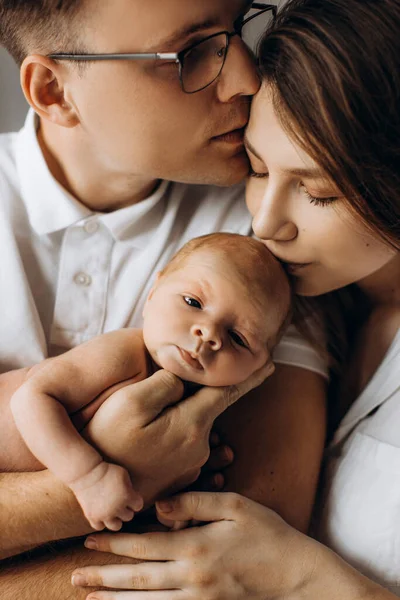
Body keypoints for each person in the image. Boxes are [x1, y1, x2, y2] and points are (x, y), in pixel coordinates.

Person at [68, 0, 400, 598]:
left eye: (318, 192)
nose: (266, 222)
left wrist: (306, 580)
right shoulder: (276, 310)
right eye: (256, 167)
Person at [0, 0, 328, 589]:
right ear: (54, 90)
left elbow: (236, 572)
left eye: (239, 26)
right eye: (190, 52)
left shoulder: (263, 239)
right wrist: (114, 476)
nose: (248, 75)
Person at [8, 233, 289, 532]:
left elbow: (151, 482)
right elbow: (30, 399)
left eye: (238, 338)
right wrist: (88, 476)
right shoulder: (124, 353)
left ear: (261, 369)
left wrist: (172, 508)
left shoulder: (196, 422)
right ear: (153, 292)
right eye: (193, 302)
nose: (208, 333)